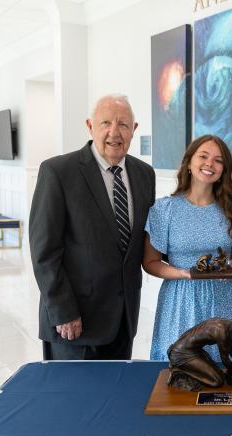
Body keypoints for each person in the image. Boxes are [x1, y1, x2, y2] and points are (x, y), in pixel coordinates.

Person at [29, 94, 156, 360]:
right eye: (105, 123)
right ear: (90, 126)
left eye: (123, 124)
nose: (114, 132)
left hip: (124, 320)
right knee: (72, 400)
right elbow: (44, 252)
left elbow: (142, 242)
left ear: (134, 130)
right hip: (75, 324)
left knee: (114, 397)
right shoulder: (58, 172)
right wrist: (63, 311)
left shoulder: (145, 175)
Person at [143, 135, 232, 361]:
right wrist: (182, 273)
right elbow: (150, 262)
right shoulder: (165, 210)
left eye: (218, 160)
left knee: (230, 368)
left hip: (226, 299)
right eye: (203, 156)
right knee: (180, 372)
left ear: (224, 169)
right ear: (189, 162)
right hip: (180, 300)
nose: (209, 164)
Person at [167, 314, 232, 391]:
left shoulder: (229, 325)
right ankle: (179, 370)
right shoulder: (221, 332)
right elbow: (225, 359)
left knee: (220, 375)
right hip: (181, 353)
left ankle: (185, 368)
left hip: (195, 351)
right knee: (217, 381)